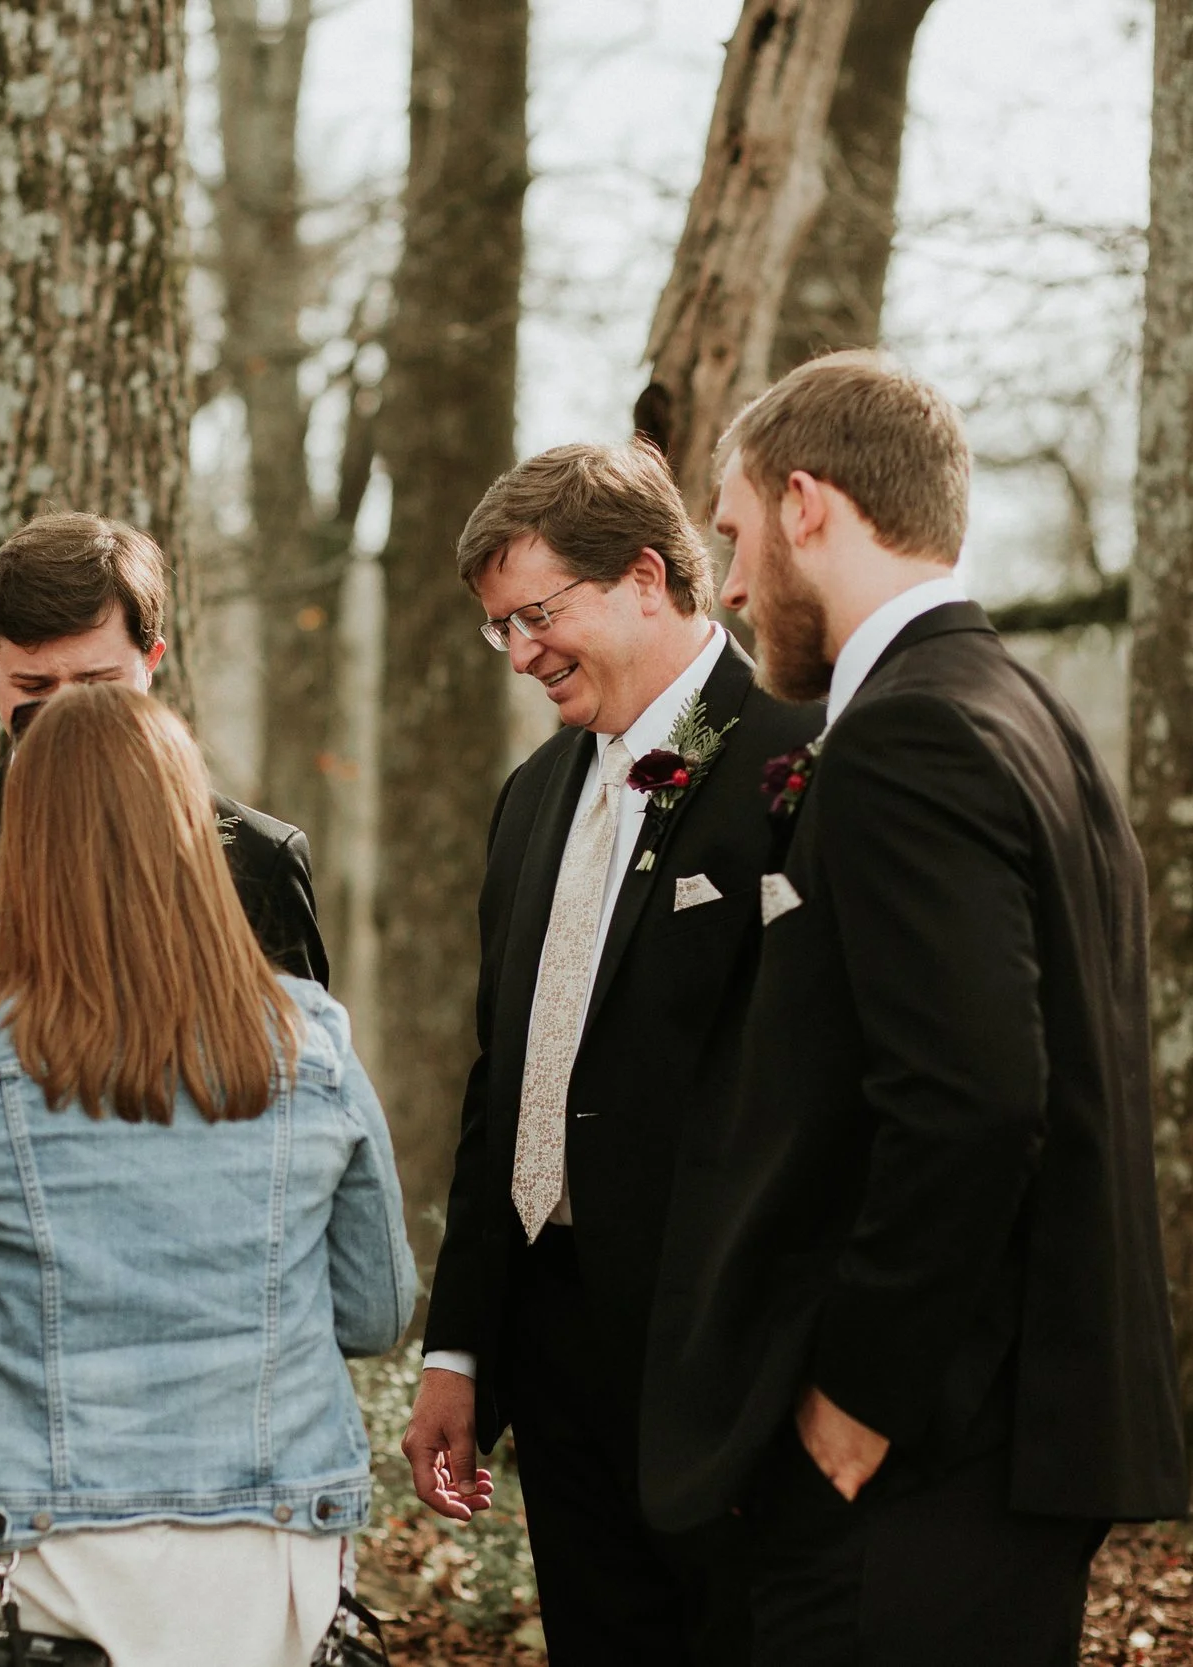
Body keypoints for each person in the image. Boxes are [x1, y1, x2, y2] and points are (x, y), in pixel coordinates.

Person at [643, 351, 1186, 1665]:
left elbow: (976, 1101)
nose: (729, 585)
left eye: (733, 533)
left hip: (924, 1456)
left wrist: (855, 1399)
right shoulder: (1029, 712)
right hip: (1015, 1432)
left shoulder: (907, 733)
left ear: (806, 505)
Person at [0, 511, 330, 1646]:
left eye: (95, 681)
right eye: (31, 687)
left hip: (217, 1433)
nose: (62, 715)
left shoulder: (256, 862)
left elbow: (300, 1147)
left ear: (155, 661)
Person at [0, 682, 415, 1667]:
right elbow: (375, 1311)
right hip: (272, 1544)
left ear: (24, 845)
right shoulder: (311, 1036)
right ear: (195, 835)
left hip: (29, 1545)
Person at [399, 440, 820, 1666]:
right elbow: (506, 1080)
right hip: (556, 1350)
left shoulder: (794, 759)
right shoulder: (533, 796)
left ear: (644, 576)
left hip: (726, 1355)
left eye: (537, 615)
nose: (519, 652)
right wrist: (459, 1347)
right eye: (500, 627)